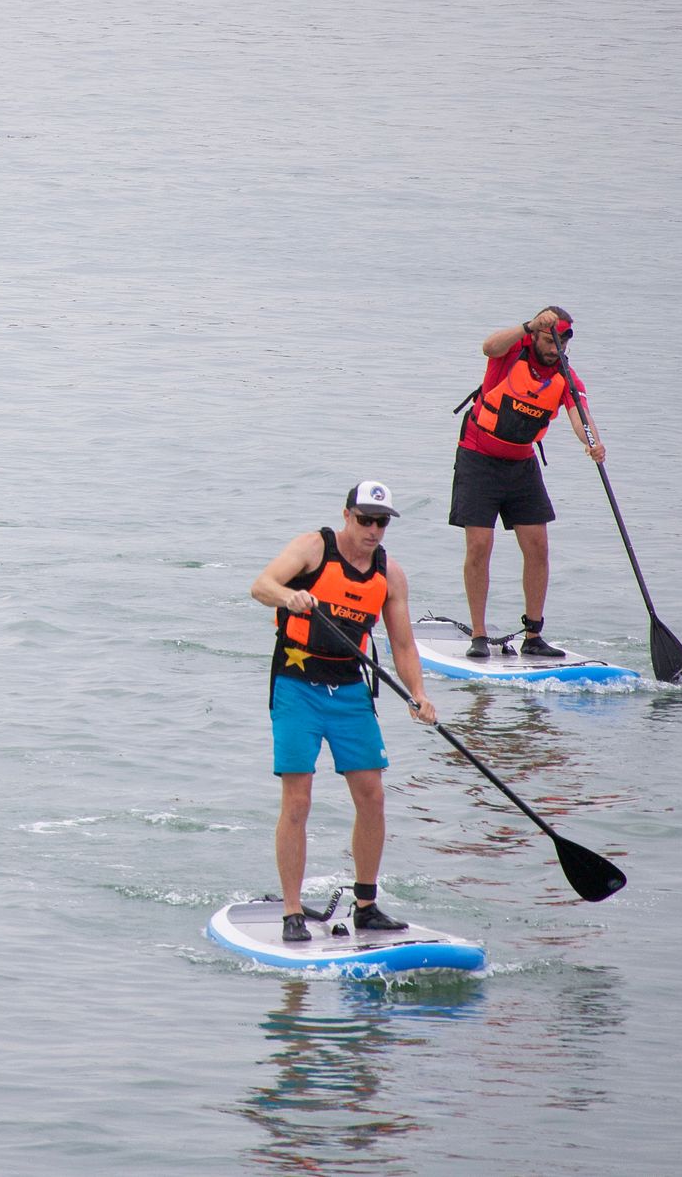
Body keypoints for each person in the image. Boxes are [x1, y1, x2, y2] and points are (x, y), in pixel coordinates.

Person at [249, 482, 438, 943]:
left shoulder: (390, 574)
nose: (373, 530)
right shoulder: (313, 548)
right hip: (297, 685)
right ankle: (293, 912)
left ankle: (367, 906)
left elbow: (403, 643)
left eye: (382, 522)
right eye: (365, 519)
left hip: (350, 690)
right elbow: (261, 586)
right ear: (347, 515)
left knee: (372, 794)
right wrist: (288, 597)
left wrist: (418, 693)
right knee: (298, 800)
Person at [448, 307, 605, 659]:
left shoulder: (565, 375)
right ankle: (478, 635)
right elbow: (488, 346)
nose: (555, 349)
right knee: (479, 545)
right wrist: (529, 324)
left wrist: (592, 443)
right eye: (549, 340)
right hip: (478, 457)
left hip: (521, 464)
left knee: (538, 547)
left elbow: (581, 416)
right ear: (534, 335)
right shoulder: (511, 351)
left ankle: (533, 636)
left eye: (560, 343)